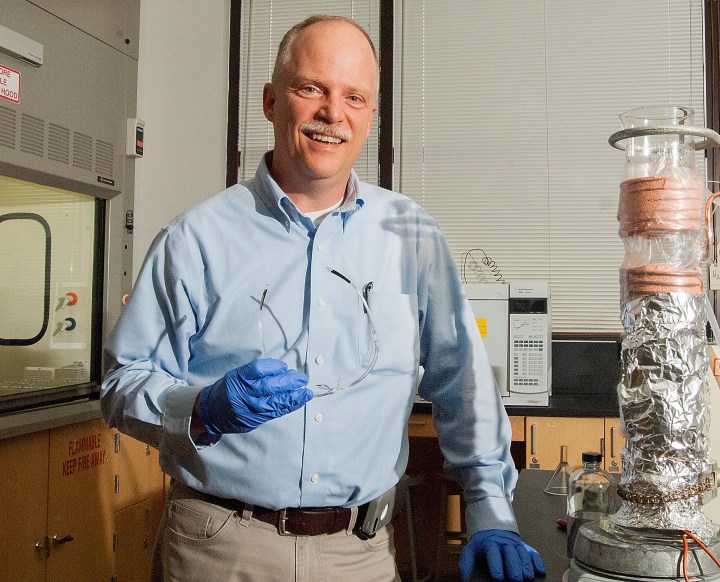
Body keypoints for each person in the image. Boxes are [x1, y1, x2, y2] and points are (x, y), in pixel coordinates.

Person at [101, 14, 546, 582]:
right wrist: (203, 408)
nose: (333, 113)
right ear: (270, 101)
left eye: (353, 97)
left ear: (370, 116)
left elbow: (463, 380)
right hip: (221, 545)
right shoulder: (195, 240)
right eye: (311, 88)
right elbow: (122, 383)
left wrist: (490, 507)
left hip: (359, 552)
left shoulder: (409, 235)